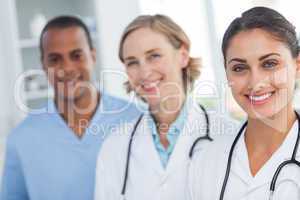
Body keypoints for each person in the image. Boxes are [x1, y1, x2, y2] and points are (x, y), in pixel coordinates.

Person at [94, 14, 236, 200]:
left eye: (154, 56)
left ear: (183, 56)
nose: (144, 72)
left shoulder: (230, 136)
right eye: (132, 62)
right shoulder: (114, 147)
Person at [1, 16, 140, 200]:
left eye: (76, 56)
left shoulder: (136, 120)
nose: (66, 68)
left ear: (93, 56)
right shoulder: (22, 139)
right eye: (55, 59)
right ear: (43, 65)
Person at [189, 7, 300, 200]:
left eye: (269, 64)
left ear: (297, 66)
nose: (255, 83)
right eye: (239, 68)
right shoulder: (206, 161)